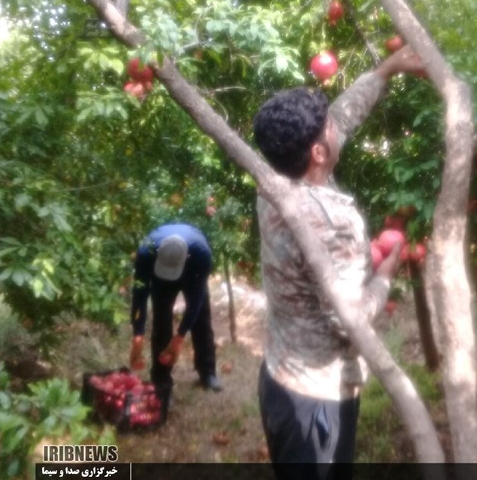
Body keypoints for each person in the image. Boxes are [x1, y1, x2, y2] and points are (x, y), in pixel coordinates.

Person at [253, 46, 426, 478]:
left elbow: (342, 119)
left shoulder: (272, 181)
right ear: (317, 152)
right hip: (318, 403)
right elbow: (350, 322)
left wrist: (385, 71)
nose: (336, 125)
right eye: (326, 126)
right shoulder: (334, 224)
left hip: (278, 379)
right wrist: (384, 276)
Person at [129, 222, 222, 392]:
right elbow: (139, 295)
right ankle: (161, 380)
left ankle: (207, 372)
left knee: (201, 320)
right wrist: (138, 335)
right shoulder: (146, 252)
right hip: (160, 280)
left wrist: (179, 338)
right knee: (161, 322)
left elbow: (195, 302)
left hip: (192, 272)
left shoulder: (201, 254)